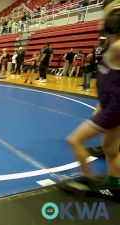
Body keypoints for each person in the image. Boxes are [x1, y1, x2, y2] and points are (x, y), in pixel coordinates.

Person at [65, 1, 120, 200]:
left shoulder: (117, 47)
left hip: (113, 110)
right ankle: (116, 187)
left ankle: (88, 181)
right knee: (111, 149)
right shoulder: (112, 46)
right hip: (111, 106)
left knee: (75, 140)